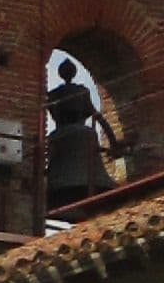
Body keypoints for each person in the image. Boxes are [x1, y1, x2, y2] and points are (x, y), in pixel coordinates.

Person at [45, 56, 118, 213]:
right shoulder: (82, 92)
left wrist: (113, 142)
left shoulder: (54, 96)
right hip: (76, 136)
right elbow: (97, 116)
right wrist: (113, 143)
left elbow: (50, 109)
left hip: (63, 140)